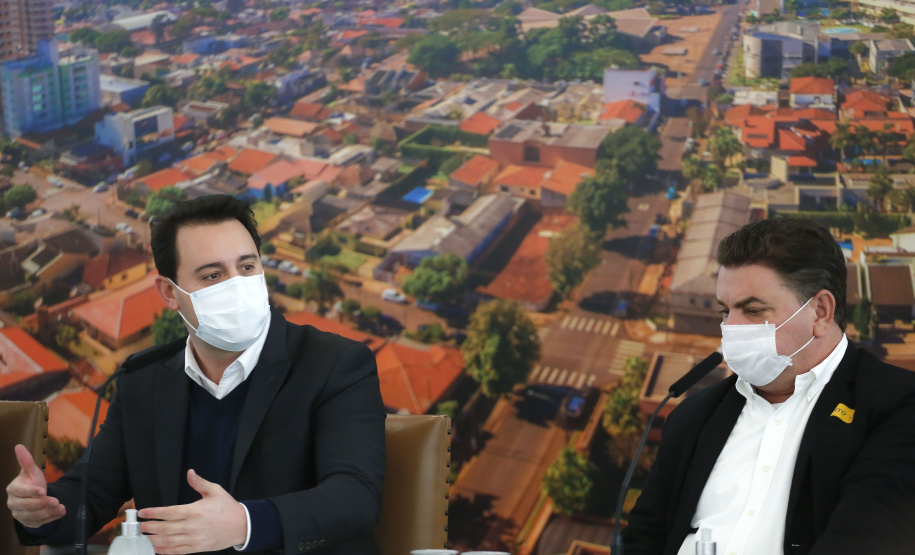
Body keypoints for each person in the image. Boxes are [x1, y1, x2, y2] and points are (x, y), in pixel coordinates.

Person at [6, 195, 386, 554]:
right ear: (170, 294)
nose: (237, 285)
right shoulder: (144, 379)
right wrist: (42, 511)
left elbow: (355, 495)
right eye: (212, 275)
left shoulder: (335, 363)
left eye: (247, 266)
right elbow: (92, 493)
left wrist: (246, 523)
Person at [623, 218, 915, 555]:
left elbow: (869, 537)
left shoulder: (897, 404)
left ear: (820, 312)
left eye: (753, 309)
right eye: (725, 310)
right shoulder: (693, 417)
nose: (730, 328)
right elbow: (642, 538)